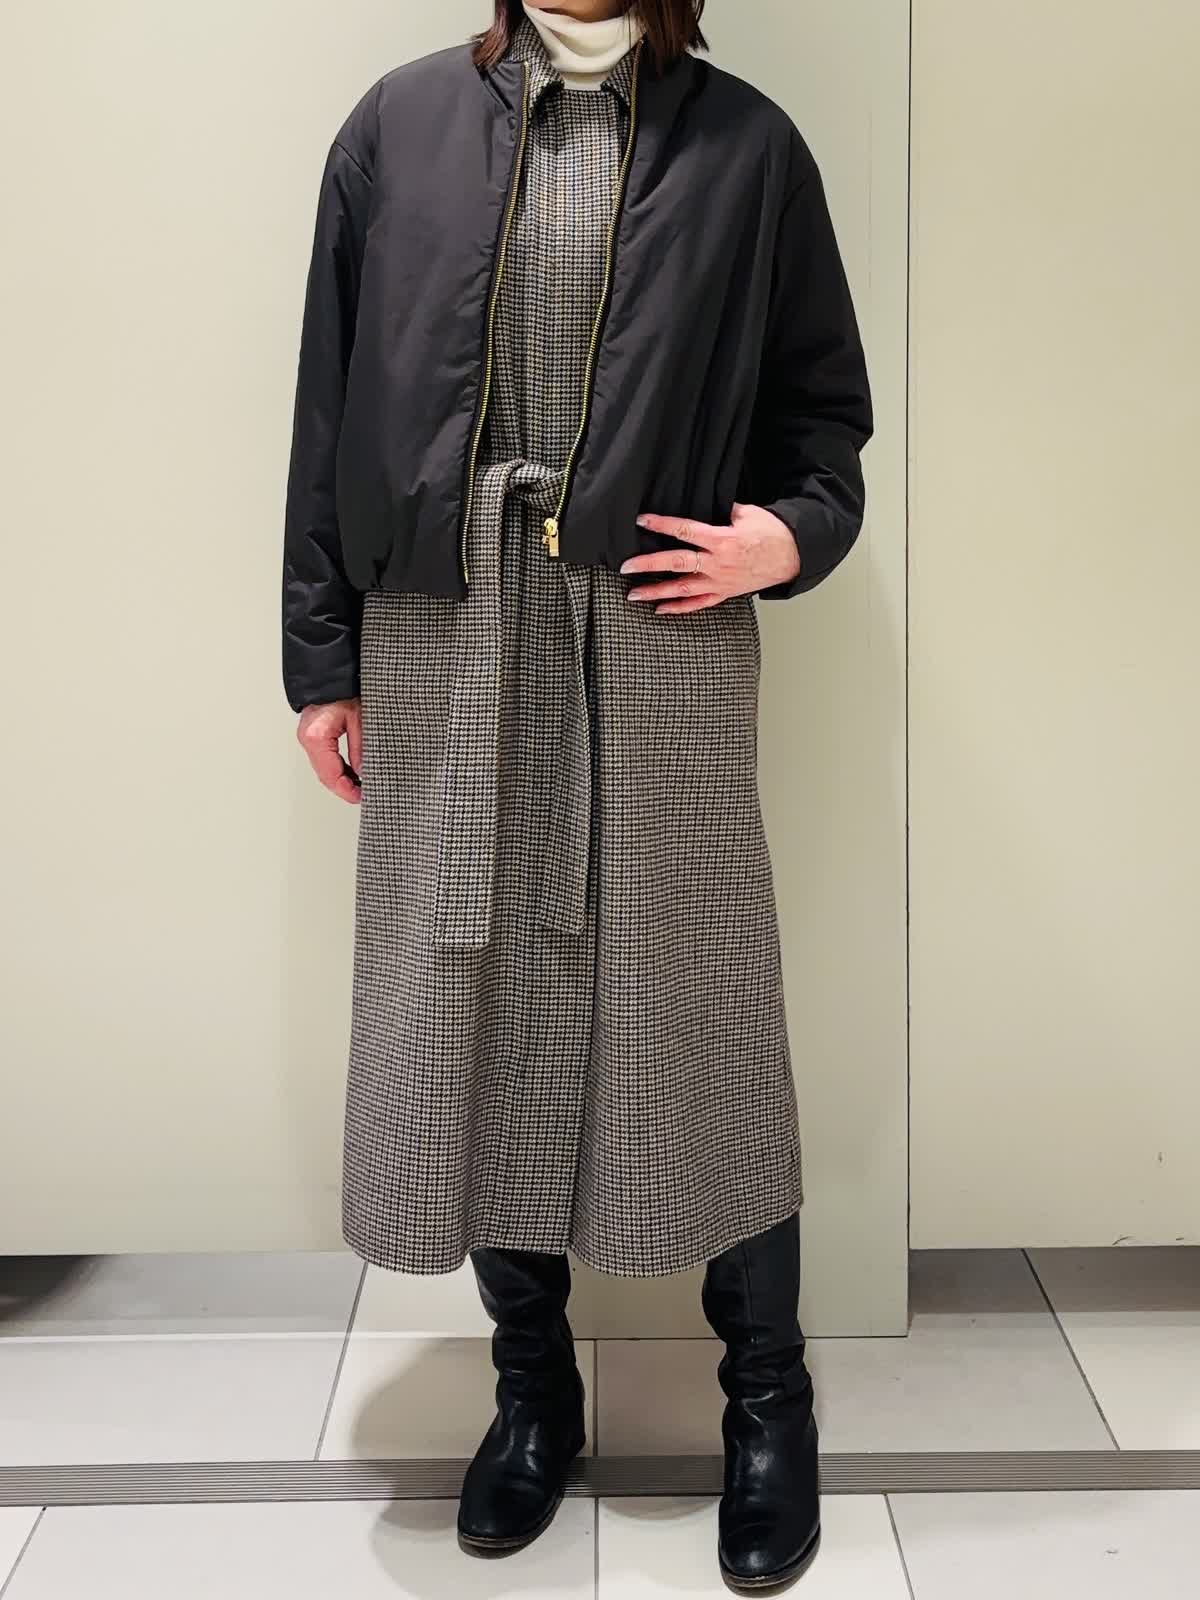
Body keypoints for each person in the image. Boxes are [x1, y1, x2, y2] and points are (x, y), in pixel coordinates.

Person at [281, 0, 872, 1589]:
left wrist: (790, 535)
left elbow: (825, 415)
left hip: (664, 618)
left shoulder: (748, 147)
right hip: (447, 618)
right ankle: (533, 1392)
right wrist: (321, 659)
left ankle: (769, 1398)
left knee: (696, 991)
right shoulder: (399, 125)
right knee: (472, 988)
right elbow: (329, 407)